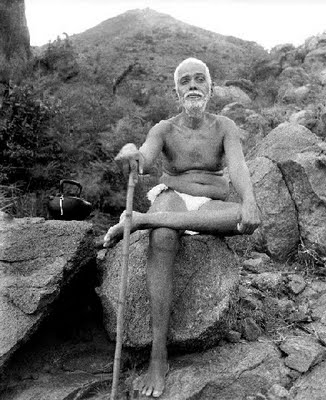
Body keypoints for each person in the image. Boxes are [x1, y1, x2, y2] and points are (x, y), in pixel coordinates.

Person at [104, 57, 260, 398]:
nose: (192, 84)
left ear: (210, 88)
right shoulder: (163, 128)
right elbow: (144, 158)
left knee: (244, 219)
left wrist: (248, 198)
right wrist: (134, 156)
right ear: (177, 93)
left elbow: (238, 166)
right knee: (162, 238)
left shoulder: (224, 126)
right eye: (185, 81)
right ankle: (158, 355)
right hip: (173, 196)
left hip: (212, 203)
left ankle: (144, 220)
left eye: (199, 79)